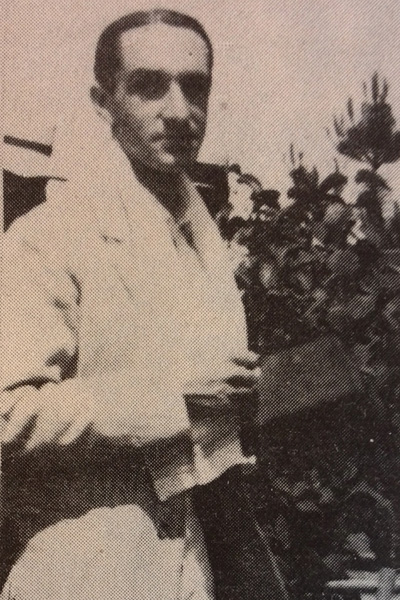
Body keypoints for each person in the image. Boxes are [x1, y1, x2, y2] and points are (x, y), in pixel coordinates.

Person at [1, 9, 262, 600]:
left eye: (194, 87)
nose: (179, 111)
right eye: (148, 86)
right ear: (104, 102)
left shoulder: (202, 242)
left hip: (195, 567)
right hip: (83, 573)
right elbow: (6, 417)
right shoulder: (48, 237)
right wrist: (174, 396)